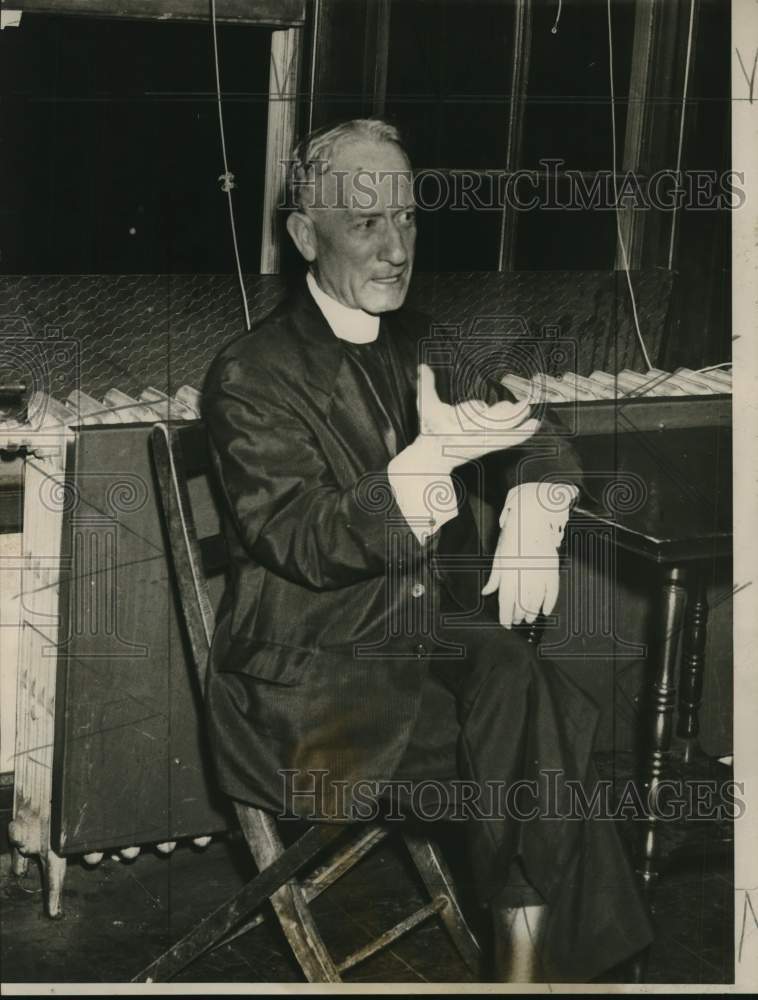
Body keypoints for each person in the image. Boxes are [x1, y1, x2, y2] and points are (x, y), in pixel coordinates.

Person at [202, 118, 653, 982]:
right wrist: (431, 460)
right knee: (538, 715)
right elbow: (305, 538)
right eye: (366, 222)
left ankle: (528, 974)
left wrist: (534, 502)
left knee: (525, 694)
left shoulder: (430, 343)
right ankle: (556, 972)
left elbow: (540, 435)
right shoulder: (249, 374)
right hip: (313, 699)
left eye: (406, 218)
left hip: (432, 660)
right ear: (306, 234)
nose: (395, 245)